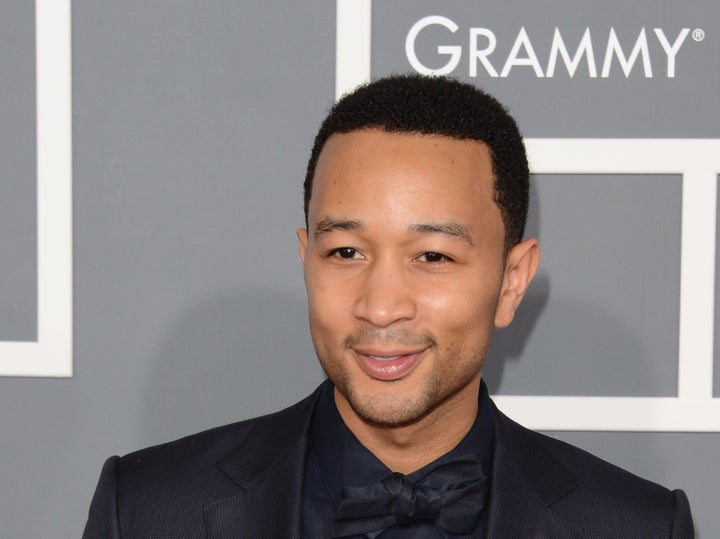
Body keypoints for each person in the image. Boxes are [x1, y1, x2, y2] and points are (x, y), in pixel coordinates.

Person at [83, 74, 694, 538]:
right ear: (305, 259)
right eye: (345, 251)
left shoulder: (636, 526)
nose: (380, 307)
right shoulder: (147, 512)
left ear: (511, 281)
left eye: (432, 257)